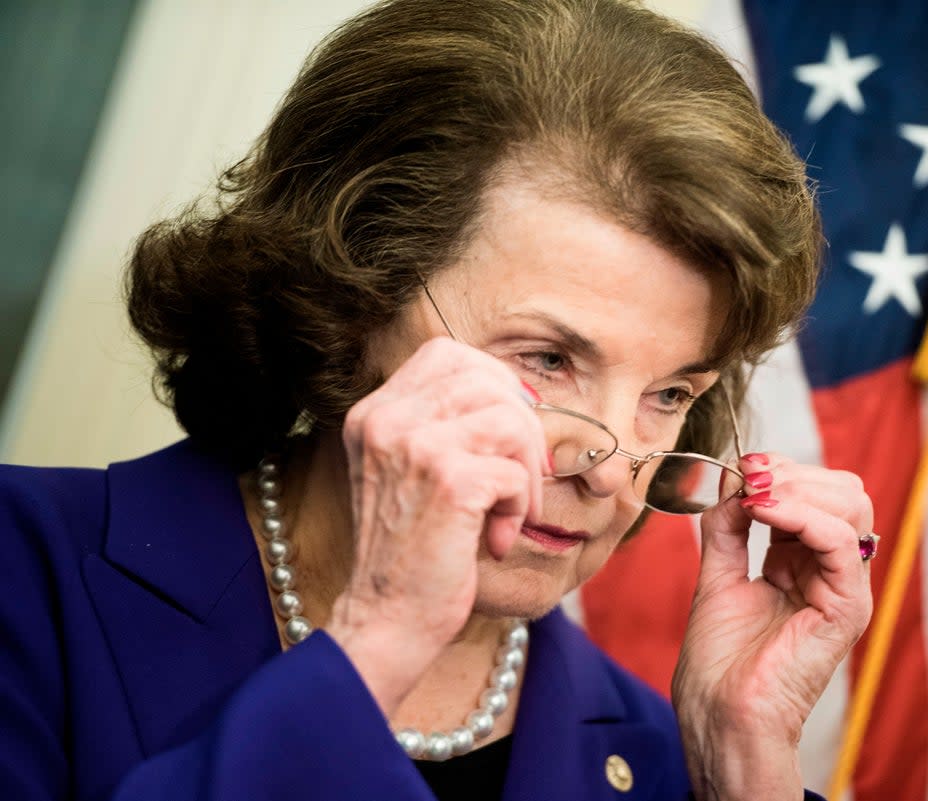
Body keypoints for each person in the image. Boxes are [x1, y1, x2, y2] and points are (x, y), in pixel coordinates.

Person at [0, 0, 876, 798]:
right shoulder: (25, 565)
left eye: (671, 390)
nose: (609, 469)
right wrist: (376, 642)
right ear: (349, 298)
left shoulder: (675, 759)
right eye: (548, 357)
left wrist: (741, 762)